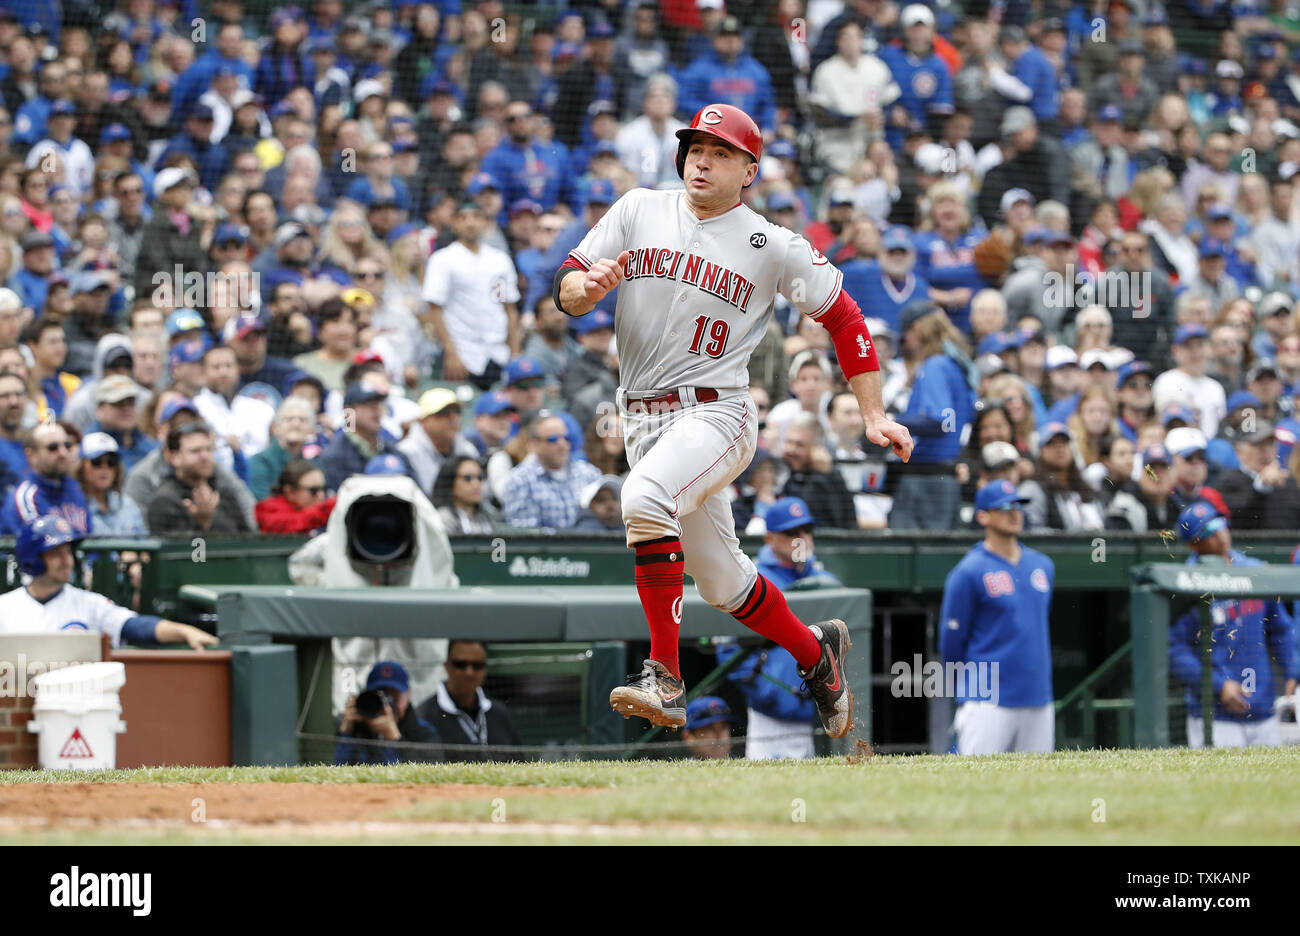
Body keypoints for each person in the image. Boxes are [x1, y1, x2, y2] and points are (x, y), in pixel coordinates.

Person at [554, 102, 912, 737]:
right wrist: (584, 291)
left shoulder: (770, 244)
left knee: (642, 499)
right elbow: (568, 288)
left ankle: (664, 677)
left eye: (720, 153)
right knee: (722, 582)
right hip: (640, 419)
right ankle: (815, 653)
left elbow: (846, 317)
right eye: (696, 148)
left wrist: (874, 413)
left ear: (749, 169)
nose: (702, 160)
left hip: (716, 413)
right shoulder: (639, 209)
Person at [1169, 502, 1298, 748]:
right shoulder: (1186, 581)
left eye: (1219, 523)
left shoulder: (1254, 570)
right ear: (1193, 544)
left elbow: (1280, 628)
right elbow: (1175, 650)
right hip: (1214, 716)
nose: (1219, 533)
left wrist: (1292, 669)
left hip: (1264, 710)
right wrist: (1218, 686)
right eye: (1208, 531)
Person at [940, 480, 1056, 755]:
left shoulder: (1043, 566)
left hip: (1038, 695)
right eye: (1003, 507)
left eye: (1018, 505)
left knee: (1042, 788)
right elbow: (951, 644)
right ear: (983, 516)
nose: (1014, 512)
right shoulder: (968, 572)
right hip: (986, 699)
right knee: (975, 784)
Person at [0, 514, 217, 649]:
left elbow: (136, 627)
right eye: (56, 554)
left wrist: (184, 631)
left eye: (68, 552)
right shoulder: (6, 607)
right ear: (32, 560)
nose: (67, 561)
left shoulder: (88, 603)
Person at [889, 302, 975, 531]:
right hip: (944, 481)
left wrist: (890, 421)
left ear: (917, 329)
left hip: (926, 482)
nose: (906, 342)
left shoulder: (936, 365)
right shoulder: (955, 365)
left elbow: (941, 422)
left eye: (906, 335)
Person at [416, 640, 521, 761]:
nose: (469, 672)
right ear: (447, 666)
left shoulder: (499, 713)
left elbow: (519, 762)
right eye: (460, 664)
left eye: (477, 665)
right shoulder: (424, 715)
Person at [501, 410, 602, 530]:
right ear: (534, 444)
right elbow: (527, 535)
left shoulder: (589, 474)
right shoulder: (519, 480)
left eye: (566, 438)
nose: (562, 444)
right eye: (553, 439)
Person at [147, 422, 254, 536]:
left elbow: (246, 540)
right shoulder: (164, 501)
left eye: (209, 449)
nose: (204, 456)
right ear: (175, 457)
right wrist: (202, 524)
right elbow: (180, 552)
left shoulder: (223, 492)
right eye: (195, 451)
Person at [334, 660, 442, 766]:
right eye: (380, 695)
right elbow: (332, 769)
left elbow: (425, 775)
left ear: (408, 695)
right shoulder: (353, 727)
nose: (387, 705)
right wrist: (346, 734)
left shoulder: (424, 733)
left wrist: (394, 740)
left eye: (395, 696)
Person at [0, 421, 89, 535]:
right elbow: (44, 551)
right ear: (31, 455)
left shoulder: (75, 489)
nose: (63, 453)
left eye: (66, 445)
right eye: (52, 447)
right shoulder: (26, 498)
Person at [398, 387, 480, 496]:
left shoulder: (468, 450)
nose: (453, 418)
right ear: (424, 420)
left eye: (457, 412)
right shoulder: (406, 452)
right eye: (444, 412)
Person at [76, 433, 147, 536]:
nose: (105, 469)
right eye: (97, 462)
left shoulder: (127, 504)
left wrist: (135, 552)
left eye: (111, 462)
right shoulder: (74, 507)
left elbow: (144, 544)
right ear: (82, 466)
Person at [255, 459, 336, 534]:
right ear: (290, 492)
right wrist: (334, 504)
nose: (321, 495)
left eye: (323, 489)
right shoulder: (267, 509)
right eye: (313, 490)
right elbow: (299, 521)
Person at [431, 455, 499, 534]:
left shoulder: (487, 518)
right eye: (467, 478)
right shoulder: (443, 518)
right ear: (450, 482)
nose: (476, 484)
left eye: (480, 478)